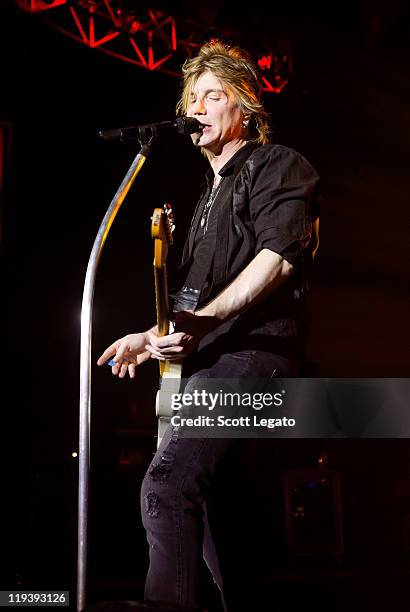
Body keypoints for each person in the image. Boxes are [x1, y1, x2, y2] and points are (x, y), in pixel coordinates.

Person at [97, 40, 320, 611]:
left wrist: (205, 321)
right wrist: (152, 338)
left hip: (252, 357)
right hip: (208, 361)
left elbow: (281, 256)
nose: (196, 108)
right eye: (191, 98)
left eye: (212, 95)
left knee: (166, 486)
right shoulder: (204, 200)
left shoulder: (276, 164)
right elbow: (195, 302)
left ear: (245, 107)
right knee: (217, 518)